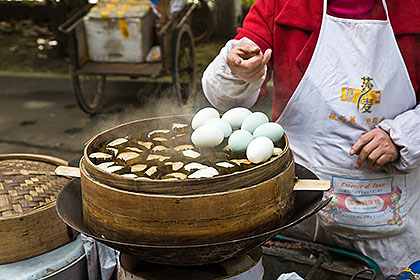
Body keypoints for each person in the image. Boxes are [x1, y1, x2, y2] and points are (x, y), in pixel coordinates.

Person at [201, 0, 420, 274]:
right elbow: (221, 92)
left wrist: (404, 136)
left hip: (385, 225)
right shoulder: (283, 5)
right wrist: (239, 71)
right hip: (297, 216)